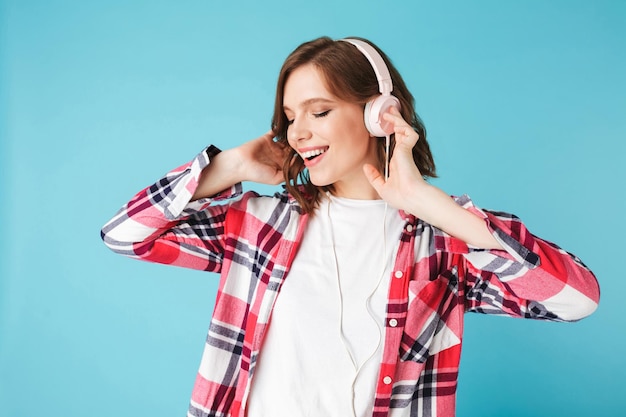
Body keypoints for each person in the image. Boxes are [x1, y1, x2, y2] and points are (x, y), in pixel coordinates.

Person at [101, 36, 600, 417]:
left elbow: (576, 299)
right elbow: (125, 234)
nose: (298, 132)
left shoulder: (444, 241)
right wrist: (228, 166)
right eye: (290, 117)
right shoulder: (259, 224)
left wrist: (429, 202)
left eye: (319, 111)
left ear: (379, 114)